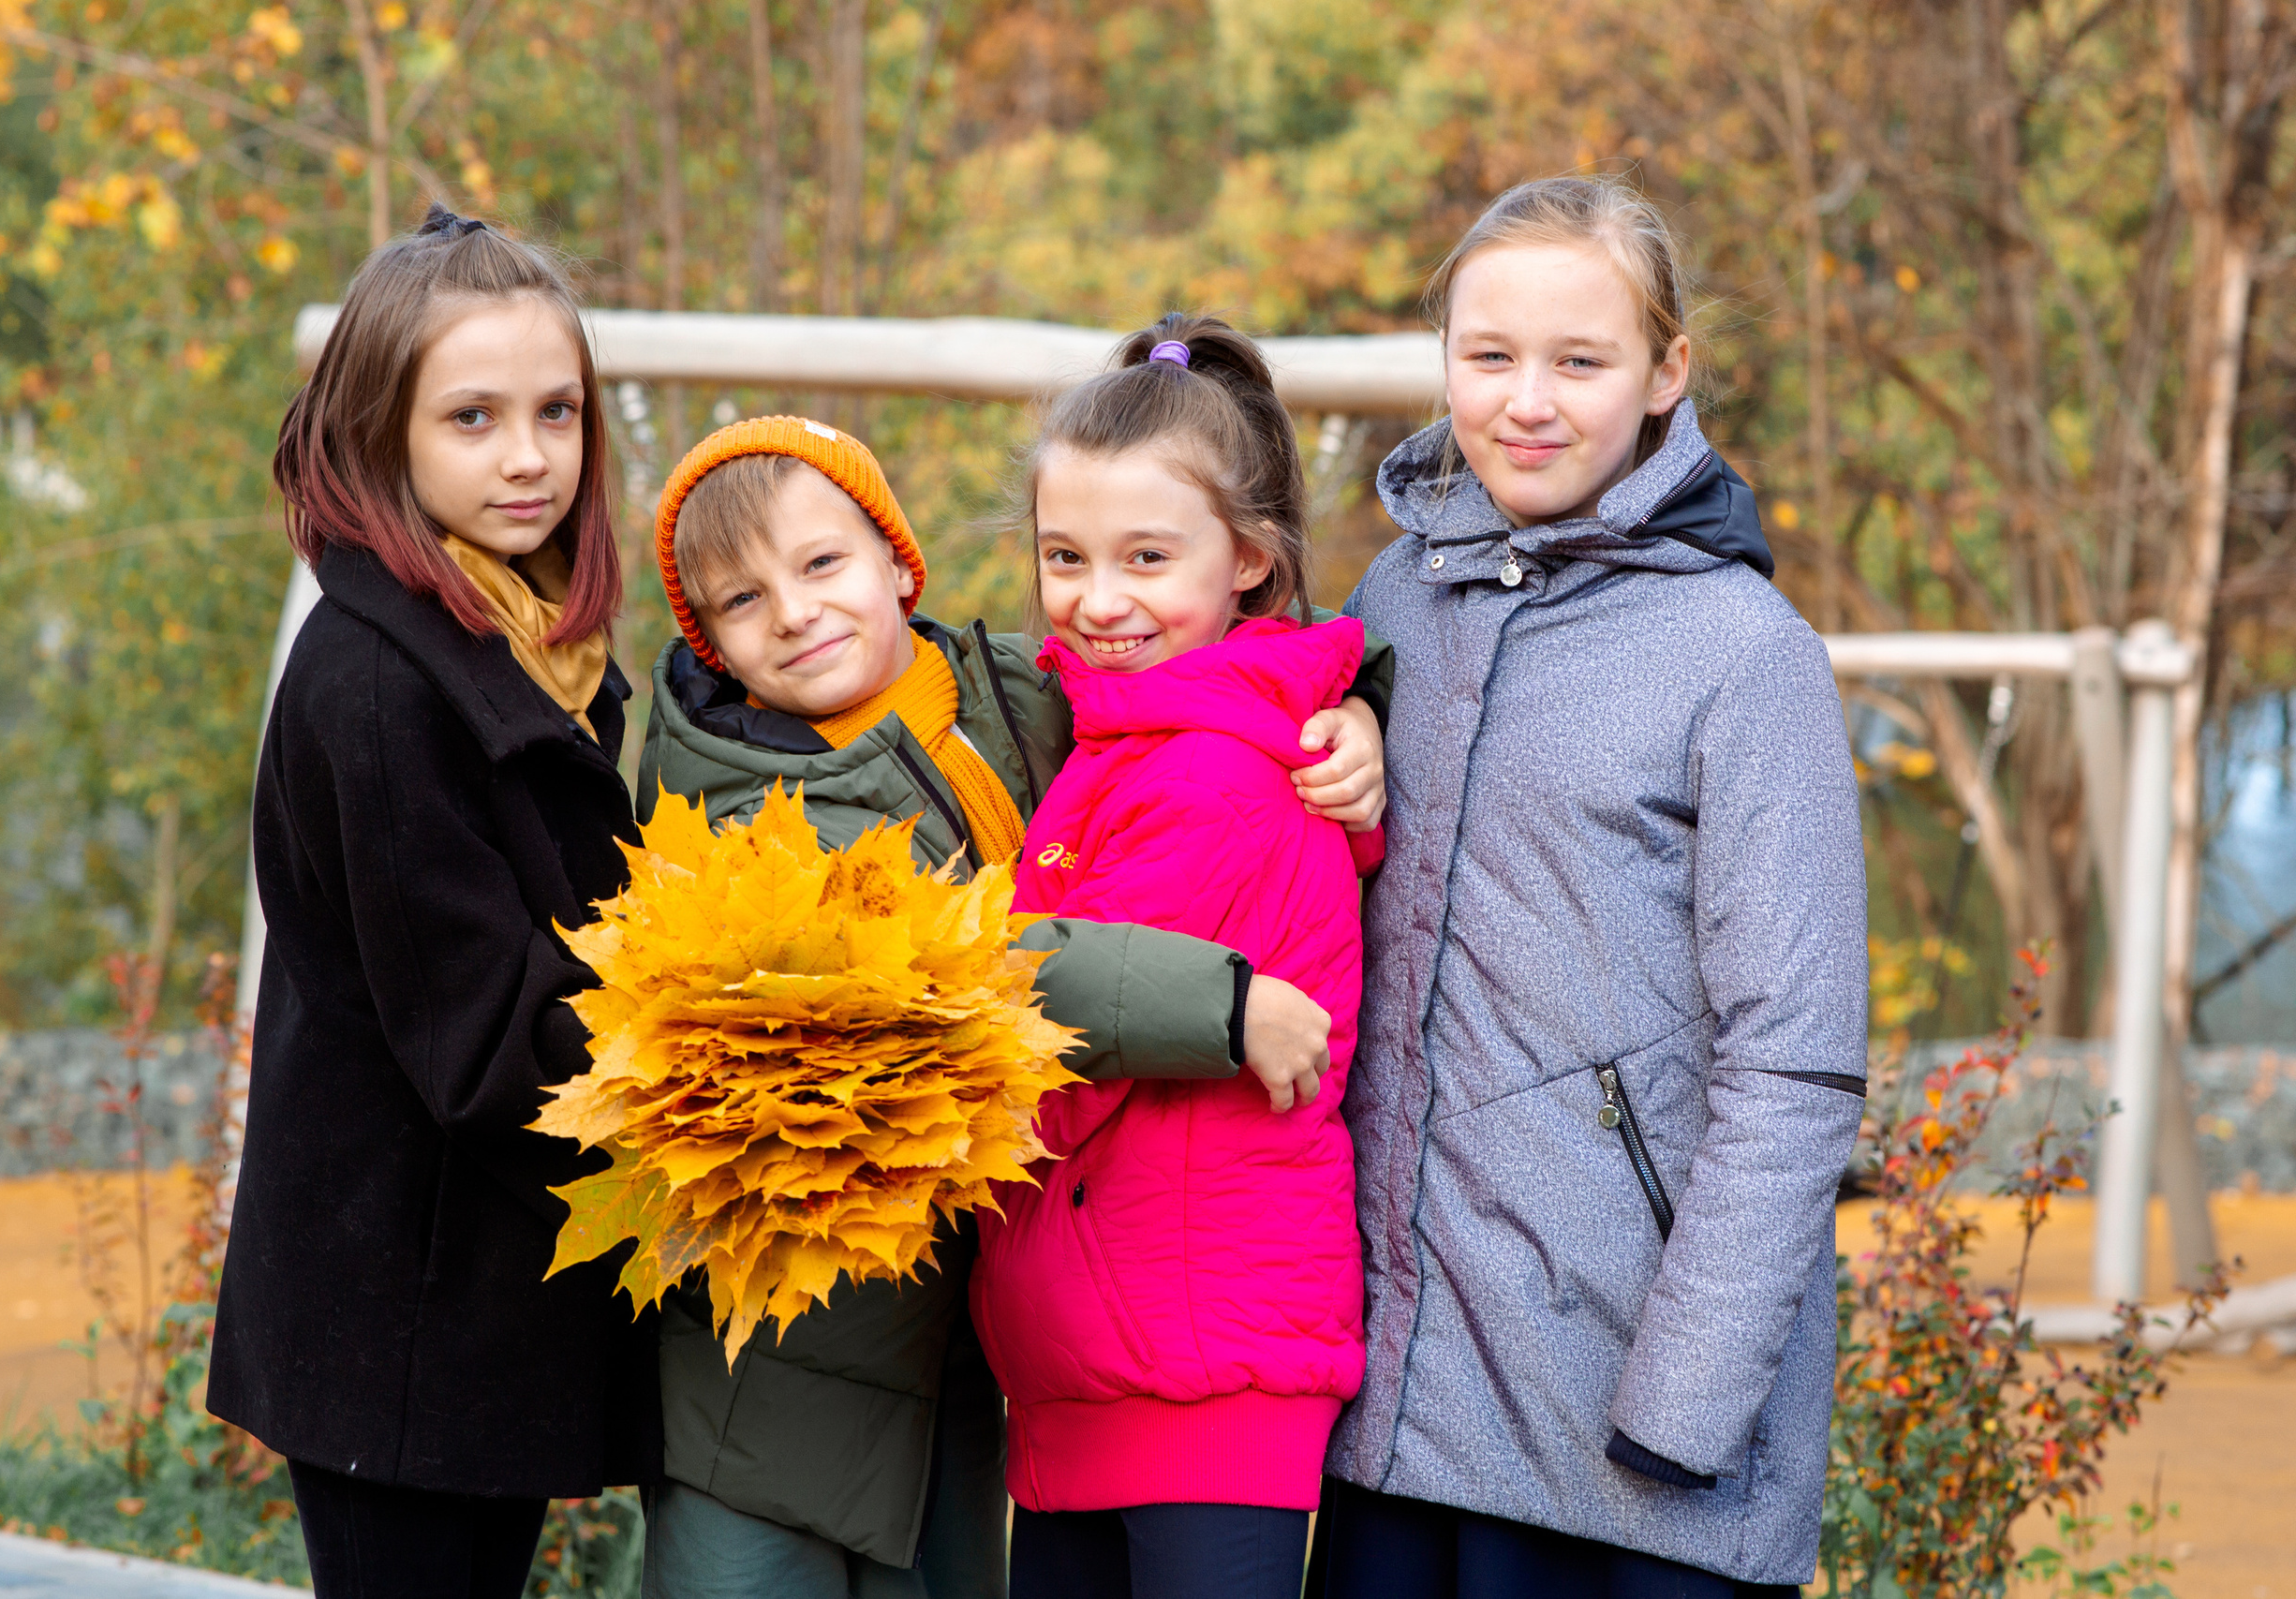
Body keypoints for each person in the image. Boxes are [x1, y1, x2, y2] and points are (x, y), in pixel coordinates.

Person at [635, 413, 1391, 1599]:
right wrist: (1215, 1002)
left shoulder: (1020, 703)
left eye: (823, 564)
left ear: (898, 561)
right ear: (713, 646)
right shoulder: (736, 802)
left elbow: (1200, 687)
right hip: (791, 1352)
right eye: (741, 602)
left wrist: (1350, 722)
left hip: (989, 1326)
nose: (793, 612)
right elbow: (919, 977)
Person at [1310, 176, 1869, 1598]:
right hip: (1398, 1406)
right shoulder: (1392, 601)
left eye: (1581, 358)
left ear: (1667, 372)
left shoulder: (1744, 653)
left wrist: (1684, 1407)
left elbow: (1794, 1062)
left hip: (1631, 1435)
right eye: (1489, 355)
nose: (1528, 400)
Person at [208, 205, 659, 1599]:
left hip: (473, 1292)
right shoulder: (377, 682)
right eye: (473, 417)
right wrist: (732, 1085)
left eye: (557, 411)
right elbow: (488, 1036)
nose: (529, 455)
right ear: (380, 433)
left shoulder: (519, 637)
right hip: (396, 1304)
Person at [970, 313, 1376, 1599]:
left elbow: (1064, 1020)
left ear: (1249, 556)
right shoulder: (1115, 743)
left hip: (1200, 1364)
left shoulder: (1208, 770)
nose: (1099, 599)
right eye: (1064, 556)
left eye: (1147, 557)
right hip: (1106, 1346)